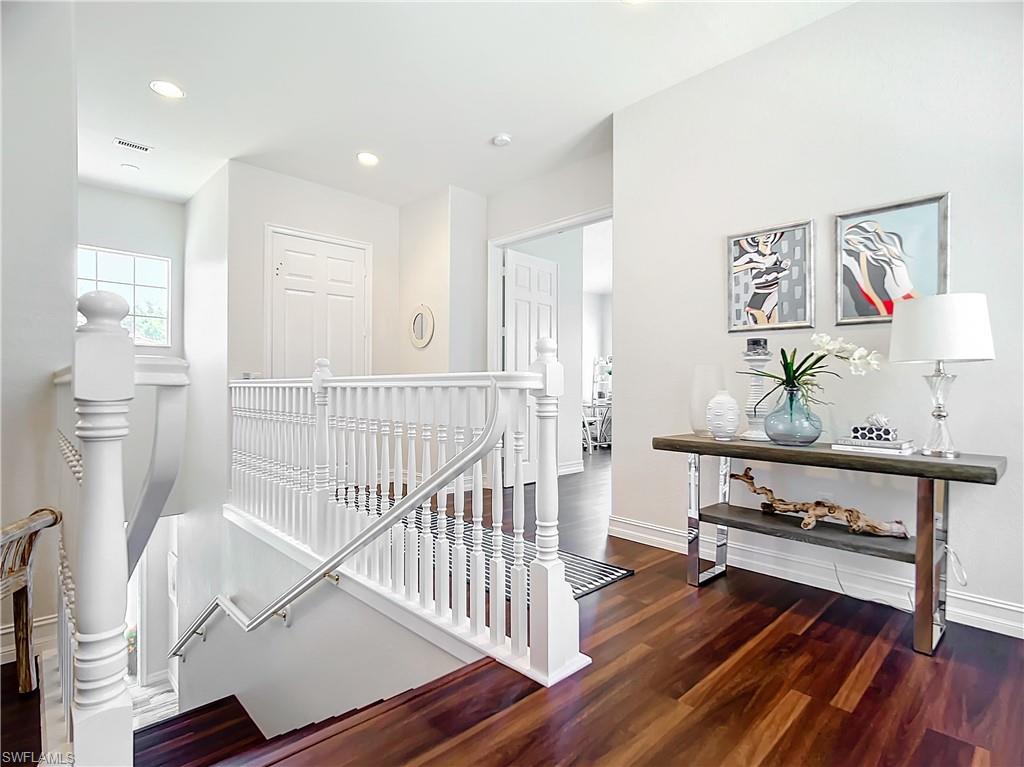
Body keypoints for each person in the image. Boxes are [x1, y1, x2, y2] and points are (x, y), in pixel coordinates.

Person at [841, 220, 918, 317]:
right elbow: (870, 289)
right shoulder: (863, 256)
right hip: (892, 303)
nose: (853, 245)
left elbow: (907, 288)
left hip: (902, 300)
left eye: (854, 241)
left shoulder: (890, 253)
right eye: (849, 242)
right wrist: (882, 312)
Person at [732, 232, 792, 325]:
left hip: (773, 298)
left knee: (773, 332)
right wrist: (752, 265)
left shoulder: (775, 255)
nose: (767, 237)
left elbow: (780, 271)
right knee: (761, 329)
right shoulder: (751, 256)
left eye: (769, 235)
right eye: (763, 235)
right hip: (758, 301)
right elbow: (731, 268)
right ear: (756, 239)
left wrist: (784, 266)